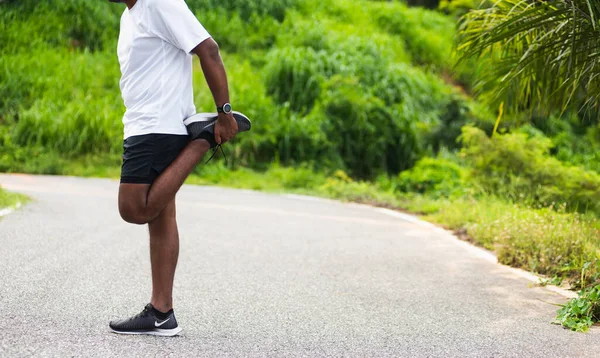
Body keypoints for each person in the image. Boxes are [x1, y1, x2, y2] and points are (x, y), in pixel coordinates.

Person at [107, 0, 250, 336]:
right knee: (161, 217)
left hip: (157, 127)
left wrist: (224, 112)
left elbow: (209, 50)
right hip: (146, 124)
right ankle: (161, 313)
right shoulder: (132, 15)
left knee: (134, 209)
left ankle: (202, 140)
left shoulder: (159, 2)